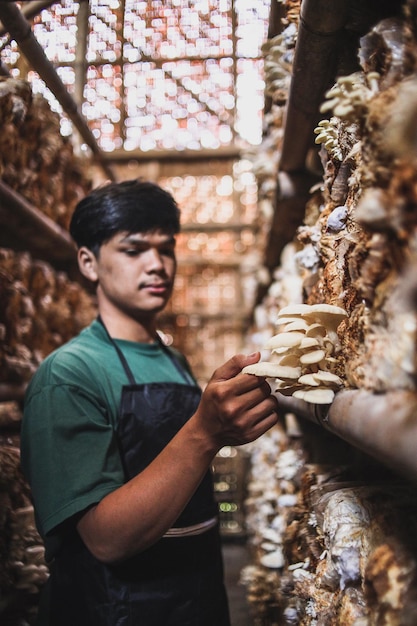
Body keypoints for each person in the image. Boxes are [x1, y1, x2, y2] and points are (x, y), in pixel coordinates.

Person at [20, 179, 278, 626]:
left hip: (196, 598)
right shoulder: (68, 374)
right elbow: (105, 540)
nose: (156, 265)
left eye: (166, 248)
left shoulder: (171, 360)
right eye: (134, 249)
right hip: (115, 609)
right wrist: (205, 433)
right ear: (89, 262)